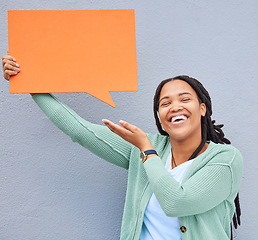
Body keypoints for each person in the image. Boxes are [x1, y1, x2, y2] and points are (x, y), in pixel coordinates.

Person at [2, 55, 243, 240]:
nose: (174, 107)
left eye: (185, 99)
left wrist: (147, 151)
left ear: (202, 108)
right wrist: (29, 82)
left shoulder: (225, 159)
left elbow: (176, 203)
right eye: (165, 103)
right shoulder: (144, 146)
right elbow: (80, 131)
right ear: (159, 116)